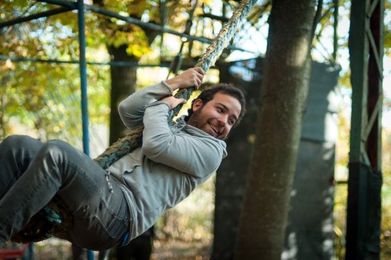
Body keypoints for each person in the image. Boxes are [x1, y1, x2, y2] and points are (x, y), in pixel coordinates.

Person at [0, 67, 246, 250]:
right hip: (97, 196)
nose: (224, 122)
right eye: (221, 110)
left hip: (119, 216)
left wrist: (162, 107)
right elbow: (128, 110)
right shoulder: (169, 123)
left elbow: (156, 145)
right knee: (17, 146)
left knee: (57, 154)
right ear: (197, 105)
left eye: (232, 120)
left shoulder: (211, 152)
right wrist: (173, 83)